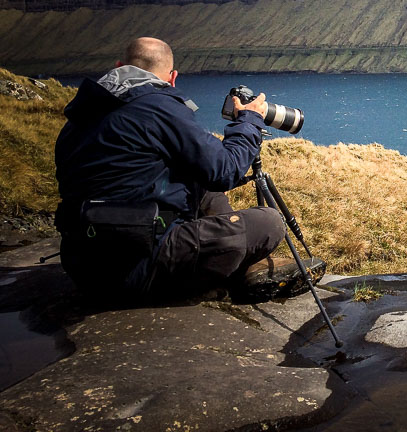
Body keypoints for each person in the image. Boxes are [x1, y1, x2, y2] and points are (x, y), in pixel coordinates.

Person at [54, 36, 322, 301]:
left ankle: (226, 265)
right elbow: (226, 170)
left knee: (202, 186)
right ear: (172, 78)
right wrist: (250, 120)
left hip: (83, 265)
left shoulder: (81, 114)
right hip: (136, 268)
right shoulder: (158, 106)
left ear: (118, 66)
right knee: (270, 222)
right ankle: (218, 276)